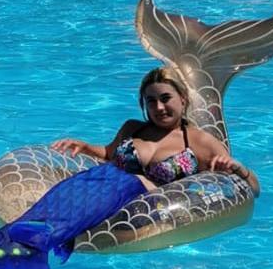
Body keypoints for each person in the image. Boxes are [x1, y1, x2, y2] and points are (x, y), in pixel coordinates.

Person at [51, 67, 260, 194]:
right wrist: (85, 147)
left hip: (153, 215)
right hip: (105, 194)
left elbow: (253, 189)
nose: (159, 107)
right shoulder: (132, 128)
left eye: (166, 98)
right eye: (151, 101)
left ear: (183, 99)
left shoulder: (200, 142)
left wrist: (240, 169)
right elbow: (108, 153)